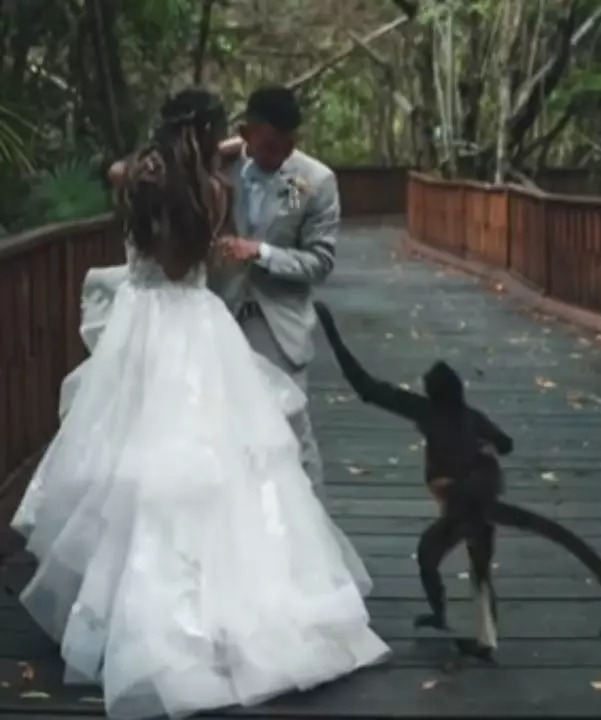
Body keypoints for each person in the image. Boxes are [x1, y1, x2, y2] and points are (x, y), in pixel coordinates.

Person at [10, 87, 390, 720]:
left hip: (139, 323)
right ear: (215, 135)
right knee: (218, 461)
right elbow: (186, 260)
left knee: (130, 456)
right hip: (191, 321)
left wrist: (180, 151)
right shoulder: (212, 192)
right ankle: (229, 609)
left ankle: (119, 607)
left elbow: (127, 185)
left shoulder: (132, 177)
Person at [206, 84, 338, 499]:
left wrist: (259, 252)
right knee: (223, 425)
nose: (277, 154)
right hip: (219, 317)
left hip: (279, 325)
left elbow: (319, 262)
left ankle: (311, 524)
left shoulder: (309, 181)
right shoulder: (219, 170)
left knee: (291, 428)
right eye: (267, 144)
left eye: (287, 145)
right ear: (246, 134)